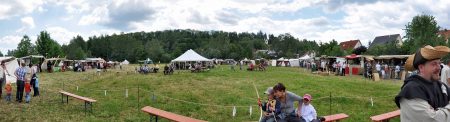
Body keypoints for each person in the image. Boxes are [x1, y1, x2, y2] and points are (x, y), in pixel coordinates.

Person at [395, 45, 450, 121]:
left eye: (439, 63)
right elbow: (432, 119)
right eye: (434, 64)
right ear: (421, 68)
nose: (439, 67)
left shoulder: (440, 85)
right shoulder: (411, 90)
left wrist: (440, 111)